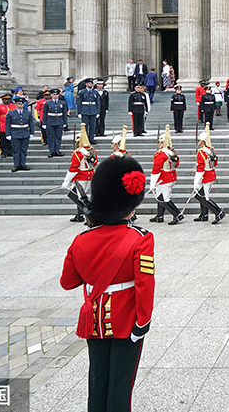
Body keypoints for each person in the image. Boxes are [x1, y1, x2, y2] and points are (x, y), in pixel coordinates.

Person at [59, 155, 154, 412]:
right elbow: (145, 286)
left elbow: (67, 282)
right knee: (121, 386)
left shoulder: (82, 239)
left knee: (98, 382)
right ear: (130, 205)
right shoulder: (141, 238)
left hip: (94, 323)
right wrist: (142, 322)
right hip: (126, 322)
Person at [62, 124, 98, 223]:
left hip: (81, 177)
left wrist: (66, 181)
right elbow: (95, 162)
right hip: (90, 175)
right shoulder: (92, 151)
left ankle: (88, 216)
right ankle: (79, 215)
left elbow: (73, 168)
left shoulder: (78, 153)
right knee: (78, 195)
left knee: (81, 198)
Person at [149, 125, 184, 224]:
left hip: (163, 178)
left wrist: (152, 183)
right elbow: (176, 164)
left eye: (160, 142)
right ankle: (159, 216)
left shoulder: (161, 154)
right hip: (172, 176)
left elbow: (156, 170)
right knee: (160, 197)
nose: (159, 144)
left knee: (164, 199)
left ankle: (177, 215)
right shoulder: (173, 152)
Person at [193, 123, 225, 223]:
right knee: (202, 195)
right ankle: (204, 215)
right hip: (211, 174)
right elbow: (215, 162)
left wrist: (196, 182)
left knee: (204, 197)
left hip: (205, 176)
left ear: (203, 142)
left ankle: (218, 212)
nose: (199, 142)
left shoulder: (202, 152)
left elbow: (201, 168)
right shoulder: (211, 150)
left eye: (200, 141)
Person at [6, 96, 34, 172]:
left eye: (22, 104)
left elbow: (31, 123)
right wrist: (8, 134)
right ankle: (16, 165)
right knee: (16, 150)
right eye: (19, 104)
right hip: (15, 133)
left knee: (24, 150)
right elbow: (8, 124)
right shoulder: (11, 113)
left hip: (25, 133)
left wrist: (31, 132)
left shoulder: (27, 113)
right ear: (16, 104)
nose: (20, 105)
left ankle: (23, 164)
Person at [76, 79, 101, 145]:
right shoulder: (82, 92)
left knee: (92, 126)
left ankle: (91, 139)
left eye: (91, 83)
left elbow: (98, 102)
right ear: (86, 84)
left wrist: (98, 112)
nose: (90, 84)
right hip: (85, 110)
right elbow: (79, 103)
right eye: (89, 83)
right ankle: (85, 139)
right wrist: (79, 112)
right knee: (85, 126)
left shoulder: (95, 92)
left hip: (93, 110)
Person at [0, 93, 14, 158]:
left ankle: (10, 151)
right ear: (2, 100)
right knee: (3, 140)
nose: (8, 100)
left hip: (11, 126)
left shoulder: (13, 106)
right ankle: (3, 152)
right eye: (6, 99)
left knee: (11, 140)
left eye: (9, 99)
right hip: (2, 126)